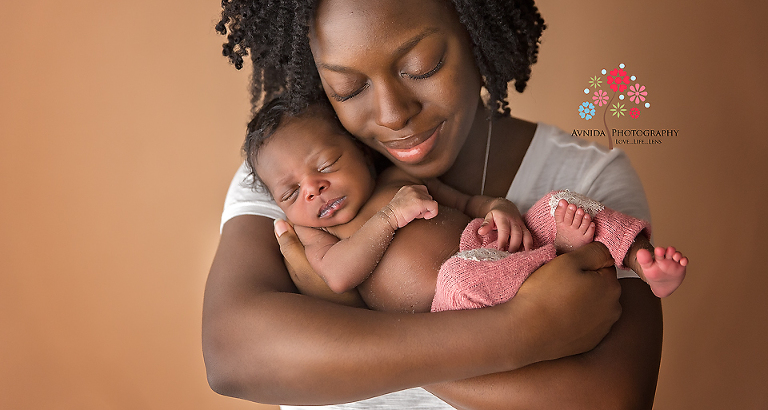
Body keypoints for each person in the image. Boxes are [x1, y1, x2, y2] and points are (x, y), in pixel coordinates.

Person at [203, 0, 666, 408]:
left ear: (474, 27)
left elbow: (611, 399)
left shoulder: (585, 178)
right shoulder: (297, 176)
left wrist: (338, 327)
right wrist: (523, 328)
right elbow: (234, 354)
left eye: (421, 66)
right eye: (348, 87)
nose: (393, 113)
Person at [244, 97, 687, 314]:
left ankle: (639, 259)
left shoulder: (398, 176)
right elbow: (338, 275)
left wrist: (500, 210)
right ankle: (557, 263)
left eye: (327, 164)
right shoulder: (315, 232)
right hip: (454, 298)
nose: (313, 190)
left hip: (497, 245)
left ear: (362, 152)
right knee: (460, 273)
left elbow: (468, 202)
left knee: (558, 204)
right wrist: (390, 217)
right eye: (289, 193)